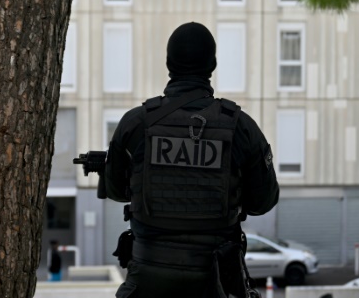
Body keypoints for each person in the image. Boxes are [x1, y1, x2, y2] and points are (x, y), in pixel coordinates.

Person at [104, 22, 280, 298]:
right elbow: (263, 202)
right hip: (217, 282)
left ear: (168, 63)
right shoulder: (240, 127)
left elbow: (115, 192)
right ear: (213, 64)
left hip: (147, 281)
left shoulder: (135, 124)